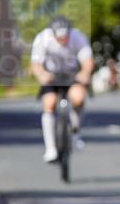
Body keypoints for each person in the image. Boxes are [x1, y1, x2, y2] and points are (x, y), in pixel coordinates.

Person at [30, 16, 94, 163]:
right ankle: (50, 147)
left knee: (78, 98)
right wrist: (41, 74)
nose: (63, 40)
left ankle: (76, 134)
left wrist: (85, 74)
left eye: (66, 36)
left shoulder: (78, 37)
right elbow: (36, 63)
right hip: (51, 76)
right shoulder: (43, 38)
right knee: (49, 103)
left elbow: (87, 61)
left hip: (72, 75)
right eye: (59, 37)